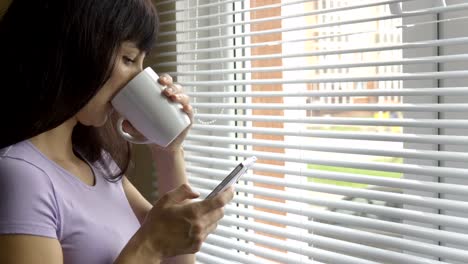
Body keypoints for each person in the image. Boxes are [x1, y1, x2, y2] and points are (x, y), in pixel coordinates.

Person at [0, 0, 234, 264]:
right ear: (69, 50)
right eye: (128, 59)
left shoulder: (97, 162)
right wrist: (151, 245)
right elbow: (157, 246)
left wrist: (169, 149)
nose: (139, 78)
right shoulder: (19, 176)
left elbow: (175, 258)